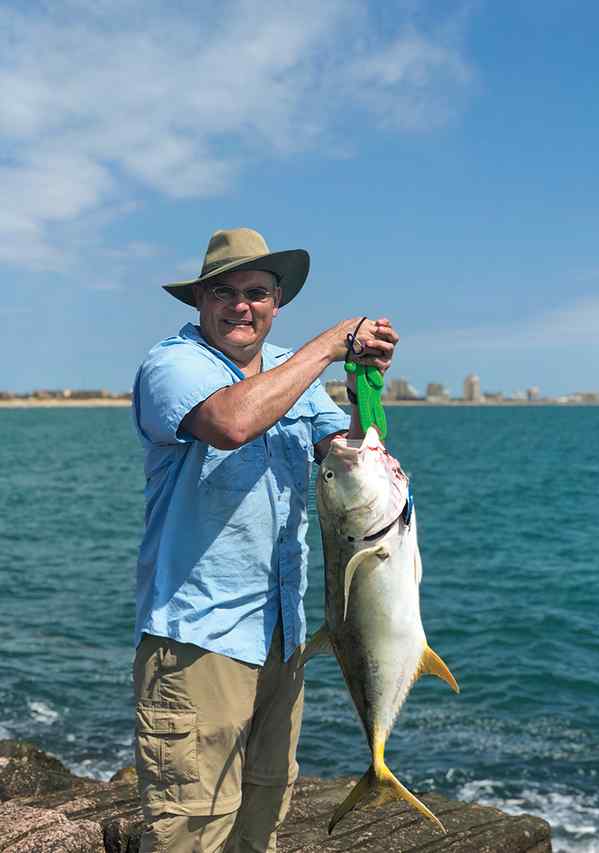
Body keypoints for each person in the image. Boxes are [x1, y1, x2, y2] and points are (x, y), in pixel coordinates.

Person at [131, 227, 398, 852]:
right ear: (200, 301)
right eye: (223, 291)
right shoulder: (173, 364)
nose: (240, 305)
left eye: (257, 292)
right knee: (189, 833)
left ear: (278, 303)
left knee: (263, 820)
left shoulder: (290, 371)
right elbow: (230, 423)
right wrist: (331, 344)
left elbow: (345, 452)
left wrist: (365, 383)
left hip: (283, 637)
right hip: (200, 639)